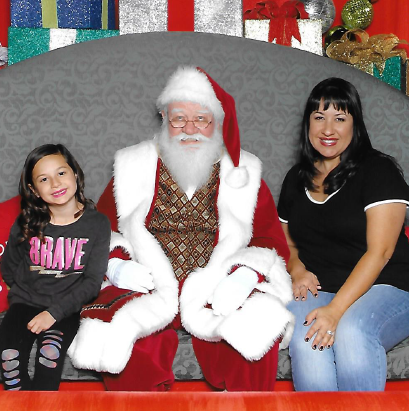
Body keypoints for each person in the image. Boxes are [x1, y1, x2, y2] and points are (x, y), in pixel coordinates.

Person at [68, 66, 294, 392]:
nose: (190, 129)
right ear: (164, 117)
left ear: (216, 120)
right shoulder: (134, 166)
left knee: (255, 329)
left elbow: (268, 237)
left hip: (217, 283)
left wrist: (244, 276)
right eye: (178, 119)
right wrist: (115, 267)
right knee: (123, 334)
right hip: (148, 282)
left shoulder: (243, 172)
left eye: (201, 119)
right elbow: (99, 228)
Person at [277, 77, 409, 391]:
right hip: (323, 285)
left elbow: (381, 253)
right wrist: (297, 269)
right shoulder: (296, 178)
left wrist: (336, 311)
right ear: (307, 124)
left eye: (340, 118)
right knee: (305, 334)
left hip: (389, 283)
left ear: (355, 124)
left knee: (351, 330)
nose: (328, 129)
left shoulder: (379, 171)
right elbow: (285, 238)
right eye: (319, 117)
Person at [0, 144, 111, 391]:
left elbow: (92, 283)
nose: (55, 183)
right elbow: (9, 266)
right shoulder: (26, 222)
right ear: (34, 190)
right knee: (8, 360)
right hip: (24, 304)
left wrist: (53, 313)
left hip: (64, 309)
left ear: (75, 173)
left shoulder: (97, 224)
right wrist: (24, 294)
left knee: (49, 354)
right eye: (44, 179)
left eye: (61, 173)